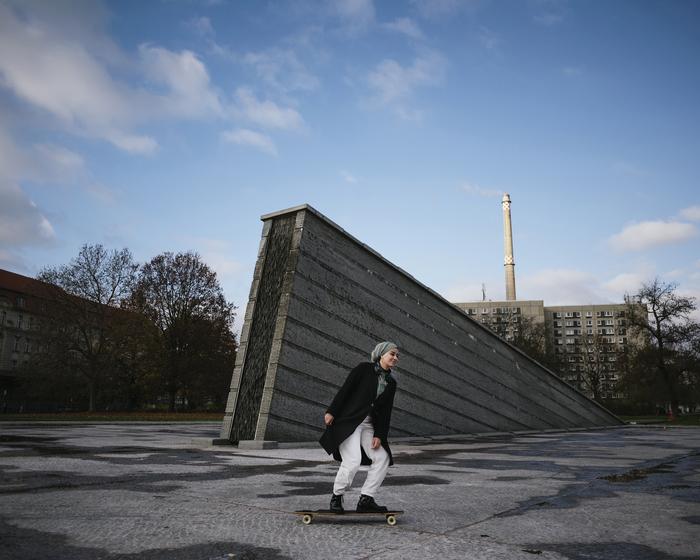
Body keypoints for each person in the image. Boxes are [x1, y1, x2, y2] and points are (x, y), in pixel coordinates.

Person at [319, 341, 399, 513]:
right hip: (350, 421)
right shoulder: (363, 369)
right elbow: (346, 389)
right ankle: (337, 497)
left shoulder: (391, 382)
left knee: (382, 458)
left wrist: (379, 434)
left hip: (370, 425)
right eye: (392, 354)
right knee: (353, 460)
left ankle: (366, 499)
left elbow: (386, 412)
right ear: (381, 354)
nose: (395, 358)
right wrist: (332, 411)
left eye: (397, 355)